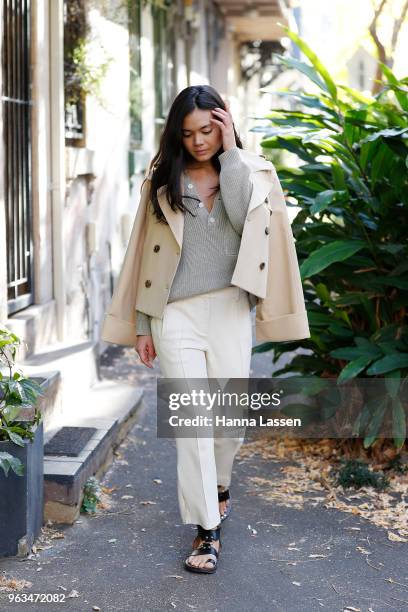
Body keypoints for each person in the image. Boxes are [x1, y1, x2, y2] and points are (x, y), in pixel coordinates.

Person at [100, 84, 310, 574]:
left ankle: (219, 485)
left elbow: (242, 219)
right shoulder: (162, 180)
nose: (198, 142)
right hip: (176, 315)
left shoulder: (254, 172)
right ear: (177, 134)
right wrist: (144, 325)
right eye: (189, 133)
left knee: (229, 422)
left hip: (231, 309)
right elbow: (143, 258)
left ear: (223, 124)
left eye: (208, 130)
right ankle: (206, 531)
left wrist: (232, 151)